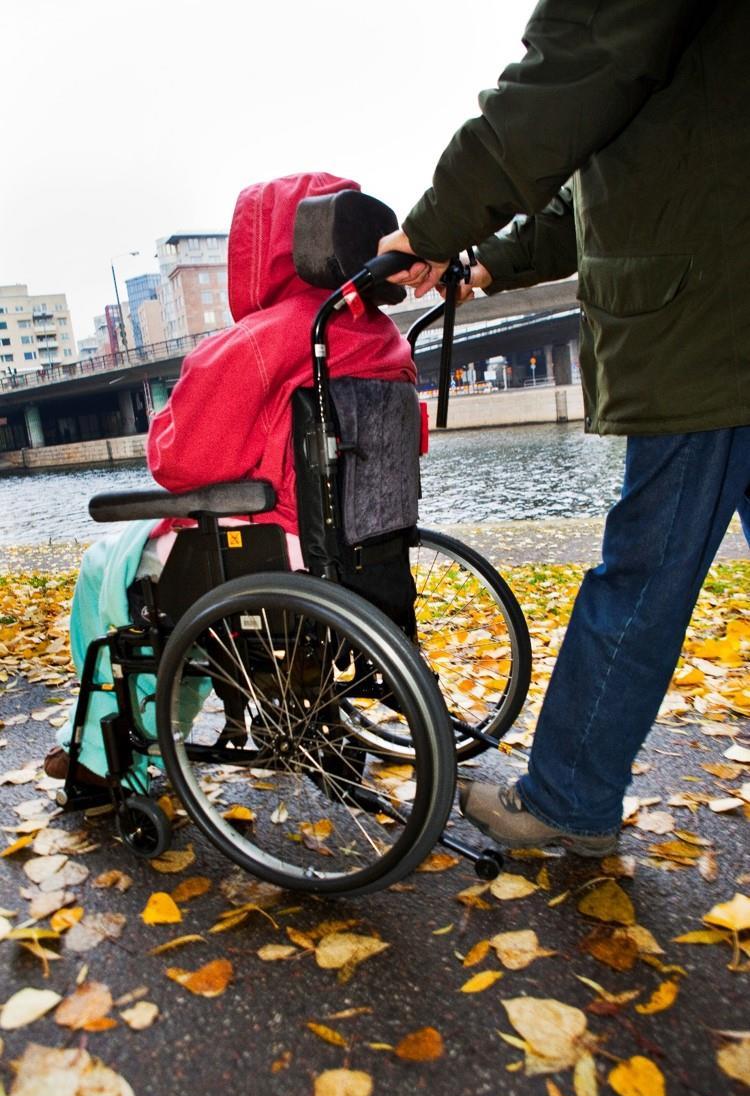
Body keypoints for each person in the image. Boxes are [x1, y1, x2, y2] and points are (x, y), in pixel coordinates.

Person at [379, 0, 750, 855]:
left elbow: (572, 79)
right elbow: (620, 165)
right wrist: (483, 260)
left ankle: (569, 796)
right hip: (724, 287)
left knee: (641, 579)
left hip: (708, 320)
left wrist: (435, 225)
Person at [45, 171, 416, 789]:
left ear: (263, 247)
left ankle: (105, 755)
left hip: (273, 550)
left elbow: (179, 462)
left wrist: (166, 427)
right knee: (171, 565)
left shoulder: (265, 339)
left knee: (109, 573)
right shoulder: (381, 337)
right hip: (363, 545)